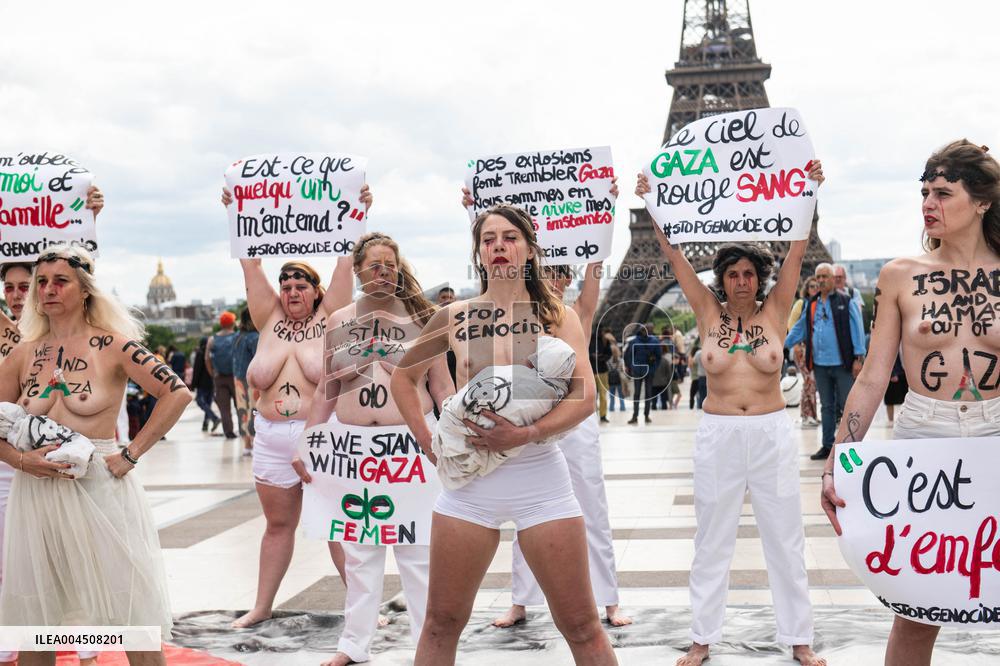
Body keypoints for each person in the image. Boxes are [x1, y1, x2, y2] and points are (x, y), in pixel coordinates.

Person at [391, 204, 618, 665]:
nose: (499, 245)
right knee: (440, 624)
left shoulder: (556, 316)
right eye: (489, 238)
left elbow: (584, 397)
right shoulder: (454, 316)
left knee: (580, 625)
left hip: (540, 480)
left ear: (530, 250)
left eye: (510, 237)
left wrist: (527, 433)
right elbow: (403, 378)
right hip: (469, 486)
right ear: (478, 252)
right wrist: (430, 442)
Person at [637, 163, 826, 666]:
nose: (741, 281)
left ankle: (799, 638)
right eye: (732, 273)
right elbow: (673, 257)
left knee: (785, 537)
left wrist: (806, 189)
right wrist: (653, 203)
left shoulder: (776, 309)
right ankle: (702, 636)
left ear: (759, 278)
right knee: (711, 537)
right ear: (721, 279)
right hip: (719, 432)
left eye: (749, 273)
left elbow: (797, 252)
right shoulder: (707, 313)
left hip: (769, 431)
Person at [821, 140, 999, 666]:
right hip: (926, 435)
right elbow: (874, 376)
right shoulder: (900, 275)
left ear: (983, 200)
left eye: (943, 192)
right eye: (924, 191)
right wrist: (840, 456)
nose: (928, 202)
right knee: (919, 608)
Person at [0, 246, 191, 666]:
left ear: (84, 290)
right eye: (42, 282)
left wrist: (132, 452)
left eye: (60, 280)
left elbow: (177, 392)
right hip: (37, 495)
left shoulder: (114, 345)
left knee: (131, 612)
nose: (48, 289)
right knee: (37, 620)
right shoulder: (24, 354)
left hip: (101, 488)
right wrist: (20, 460)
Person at [296, 231, 452, 666]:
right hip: (354, 449)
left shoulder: (425, 317)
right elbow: (327, 388)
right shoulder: (339, 320)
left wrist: (451, 436)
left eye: (390, 264)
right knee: (359, 550)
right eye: (373, 264)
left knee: (417, 550)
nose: (382, 272)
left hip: (410, 444)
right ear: (359, 269)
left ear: (399, 270)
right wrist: (307, 441)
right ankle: (353, 643)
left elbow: (442, 386)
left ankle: (427, 642)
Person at [220, 183, 371, 628]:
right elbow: (250, 261)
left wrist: (358, 208)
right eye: (285, 284)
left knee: (336, 525)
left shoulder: (331, 317)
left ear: (316, 290)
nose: (290, 290)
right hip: (269, 436)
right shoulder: (267, 319)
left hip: (321, 436)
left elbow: (347, 255)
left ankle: (361, 607)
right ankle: (262, 605)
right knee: (277, 526)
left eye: (299, 283)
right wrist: (238, 213)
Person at [0, 187, 104, 666]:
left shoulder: (60, 330)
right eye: (14, 288)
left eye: (31, 286)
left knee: (79, 549)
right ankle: (18, 635)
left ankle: (85, 632)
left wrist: (90, 221)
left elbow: (82, 275)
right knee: (18, 555)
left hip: (64, 448)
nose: (24, 294)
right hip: (13, 454)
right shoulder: (11, 335)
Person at [786, 263, 867, 459]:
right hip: (820, 364)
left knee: (847, 405)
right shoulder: (811, 304)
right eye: (818, 277)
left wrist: (859, 357)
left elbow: (857, 329)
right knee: (827, 407)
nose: (821, 280)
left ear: (833, 279)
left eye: (825, 276)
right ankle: (828, 445)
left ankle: (850, 446)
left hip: (842, 363)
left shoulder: (846, 301)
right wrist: (782, 343)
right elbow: (800, 328)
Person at [789, 278, 820, 428]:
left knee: (810, 382)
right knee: (809, 380)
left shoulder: (819, 304)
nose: (815, 288)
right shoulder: (801, 304)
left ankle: (810, 414)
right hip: (801, 348)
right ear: (807, 288)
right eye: (812, 286)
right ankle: (807, 415)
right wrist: (794, 344)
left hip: (813, 349)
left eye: (817, 286)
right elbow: (791, 324)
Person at [206, 311, 238, 439]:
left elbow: (207, 359)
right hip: (236, 376)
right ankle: (244, 429)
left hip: (219, 378)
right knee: (240, 405)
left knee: (224, 409)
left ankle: (229, 432)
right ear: (232, 323)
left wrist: (212, 373)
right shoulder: (237, 337)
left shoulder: (213, 339)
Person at [233, 307, 259, 456]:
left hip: (238, 378)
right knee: (255, 410)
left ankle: (246, 444)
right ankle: (255, 440)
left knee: (242, 411)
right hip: (252, 379)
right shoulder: (255, 337)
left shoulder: (237, 336)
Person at [625, 324, 662, 424]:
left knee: (639, 394)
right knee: (645, 394)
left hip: (641, 371)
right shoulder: (654, 341)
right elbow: (659, 357)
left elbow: (628, 356)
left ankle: (638, 415)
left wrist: (631, 367)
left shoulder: (634, 341)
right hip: (645, 371)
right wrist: (653, 368)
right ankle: (643, 415)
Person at [190, 336, 221, 432]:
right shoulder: (212, 353)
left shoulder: (200, 353)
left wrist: (193, 384)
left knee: (200, 401)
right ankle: (205, 424)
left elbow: (197, 370)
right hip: (211, 382)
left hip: (202, 383)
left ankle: (214, 418)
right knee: (208, 403)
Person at [882, 354, 908, 424]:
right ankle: (890, 421)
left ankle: (904, 420)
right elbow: (886, 358)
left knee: (906, 400)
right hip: (894, 372)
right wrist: (891, 373)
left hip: (906, 373)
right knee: (890, 400)